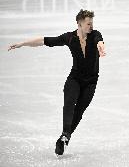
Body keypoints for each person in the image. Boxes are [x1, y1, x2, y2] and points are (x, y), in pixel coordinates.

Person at [8, 9, 106, 155]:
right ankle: (66, 133)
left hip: (91, 82)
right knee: (69, 104)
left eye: (92, 23)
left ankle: (64, 137)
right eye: (88, 24)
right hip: (75, 79)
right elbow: (45, 40)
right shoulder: (69, 38)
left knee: (79, 111)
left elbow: (99, 40)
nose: (91, 26)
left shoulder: (95, 35)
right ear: (79, 23)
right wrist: (23, 43)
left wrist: (101, 46)